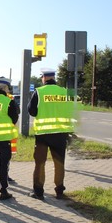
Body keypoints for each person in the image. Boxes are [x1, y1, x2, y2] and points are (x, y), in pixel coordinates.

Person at [27, 68, 76, 200]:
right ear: (54, 78)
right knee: (59, 163)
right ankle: (59, 191)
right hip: (60, 134)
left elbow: (31, 111)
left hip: (43, 135)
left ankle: (38, 192)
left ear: (44, 77)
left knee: (40, 163)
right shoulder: (65, 92)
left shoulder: (39, 92)